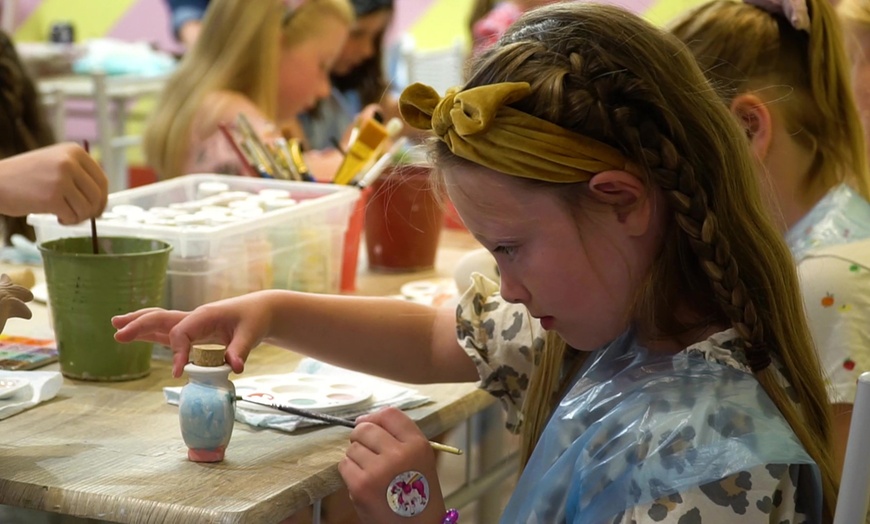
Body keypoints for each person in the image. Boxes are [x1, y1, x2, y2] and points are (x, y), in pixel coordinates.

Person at [113, 3, 838, 522]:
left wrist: (418, 515)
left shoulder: (715, 465)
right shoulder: (611, 332)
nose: (507, 288)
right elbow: (439, 337)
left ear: (622, 201)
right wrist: (272, 311)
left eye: (510, 250)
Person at [669, 0, 870, 479]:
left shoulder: (826, 277)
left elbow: (838, 498)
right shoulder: (828, 244)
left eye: (677, 145)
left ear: (748, 126)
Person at [144, 0, 354, 181]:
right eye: (323, 66)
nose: (325, 90)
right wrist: (355, 152)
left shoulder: (209, 104)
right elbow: (294, 178)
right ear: (275, 47)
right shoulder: (229, 112)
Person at [300, 0, 395, 151]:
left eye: (376, 37)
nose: (368, 50)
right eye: (357, 34)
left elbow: (392, 109)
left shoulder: (355, 84)